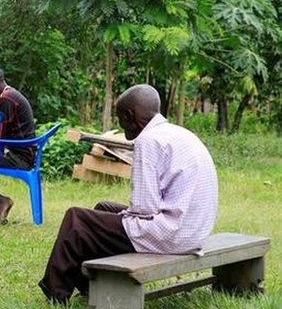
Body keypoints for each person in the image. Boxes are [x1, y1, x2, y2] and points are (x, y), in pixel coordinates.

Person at [38, 84, 219, 305]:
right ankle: (92, 283)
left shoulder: (148, 140)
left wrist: (123, 218)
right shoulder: (179, 133)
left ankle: (55, 293)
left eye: (120, 118)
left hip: (172, 236)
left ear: (129, 116)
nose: (120, 125)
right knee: (104, 208)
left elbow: (144, 209)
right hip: (193, 231)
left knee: (77, 219)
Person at [0, 66, 36, 222]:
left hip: (20, 158)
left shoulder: (6, 99)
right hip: (20, 154)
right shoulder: (8, 95)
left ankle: (0, 201)